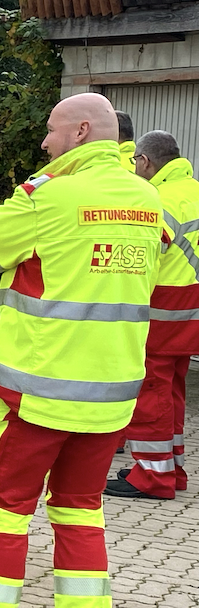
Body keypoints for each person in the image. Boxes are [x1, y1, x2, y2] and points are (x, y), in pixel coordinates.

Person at [0, 93, 164, 608]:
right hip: (111, 400)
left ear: (80, 132)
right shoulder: (148, 199)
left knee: (4, 515)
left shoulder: (47, 195)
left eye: (51, 131)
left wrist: (31, 189)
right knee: (81, 514)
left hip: (33, 396)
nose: (44, 143)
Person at [106, 130, 199, 500]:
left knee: (151, 390)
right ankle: (170, 468)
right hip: (191, 310)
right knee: (173, 390)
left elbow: (143, 257)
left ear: (145, 161)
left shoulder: (157, 201)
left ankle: (152, 476)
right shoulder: (193, 190)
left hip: (165, 309)